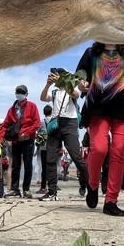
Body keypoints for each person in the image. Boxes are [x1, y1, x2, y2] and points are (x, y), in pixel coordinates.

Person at [76, 43, 124, 216]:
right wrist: (82, 84)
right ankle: (92, 185)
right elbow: (79, 77)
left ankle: (111, 201)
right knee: (100, 148)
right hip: (97, 109)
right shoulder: (91, 53)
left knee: (118, 152)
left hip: (122, 109)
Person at [40, 69, 90, 201]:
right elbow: (43, 98)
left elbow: (75, 95)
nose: (54, 77)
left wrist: (62, 82)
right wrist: (48, 85)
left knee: (76, 157)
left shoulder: (74, 86)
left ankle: (86, 184)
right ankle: (52, 192)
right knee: (50, 159)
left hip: (70, 123)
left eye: (57, 75)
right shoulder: (55, 92)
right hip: (56, 123)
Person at [0, 85, 40, 198]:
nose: (19, 94)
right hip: (16, 141)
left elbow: (36, 123)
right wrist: (1, 138)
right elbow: (5, 125)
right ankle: (15, 189)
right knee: (15, 166)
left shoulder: (32, 106)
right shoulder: (12, 109)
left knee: (28, 165)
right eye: (18, 92)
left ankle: (26, 189)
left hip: (28, 141)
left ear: (26, 94)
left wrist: (26, 133)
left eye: (21, 92)